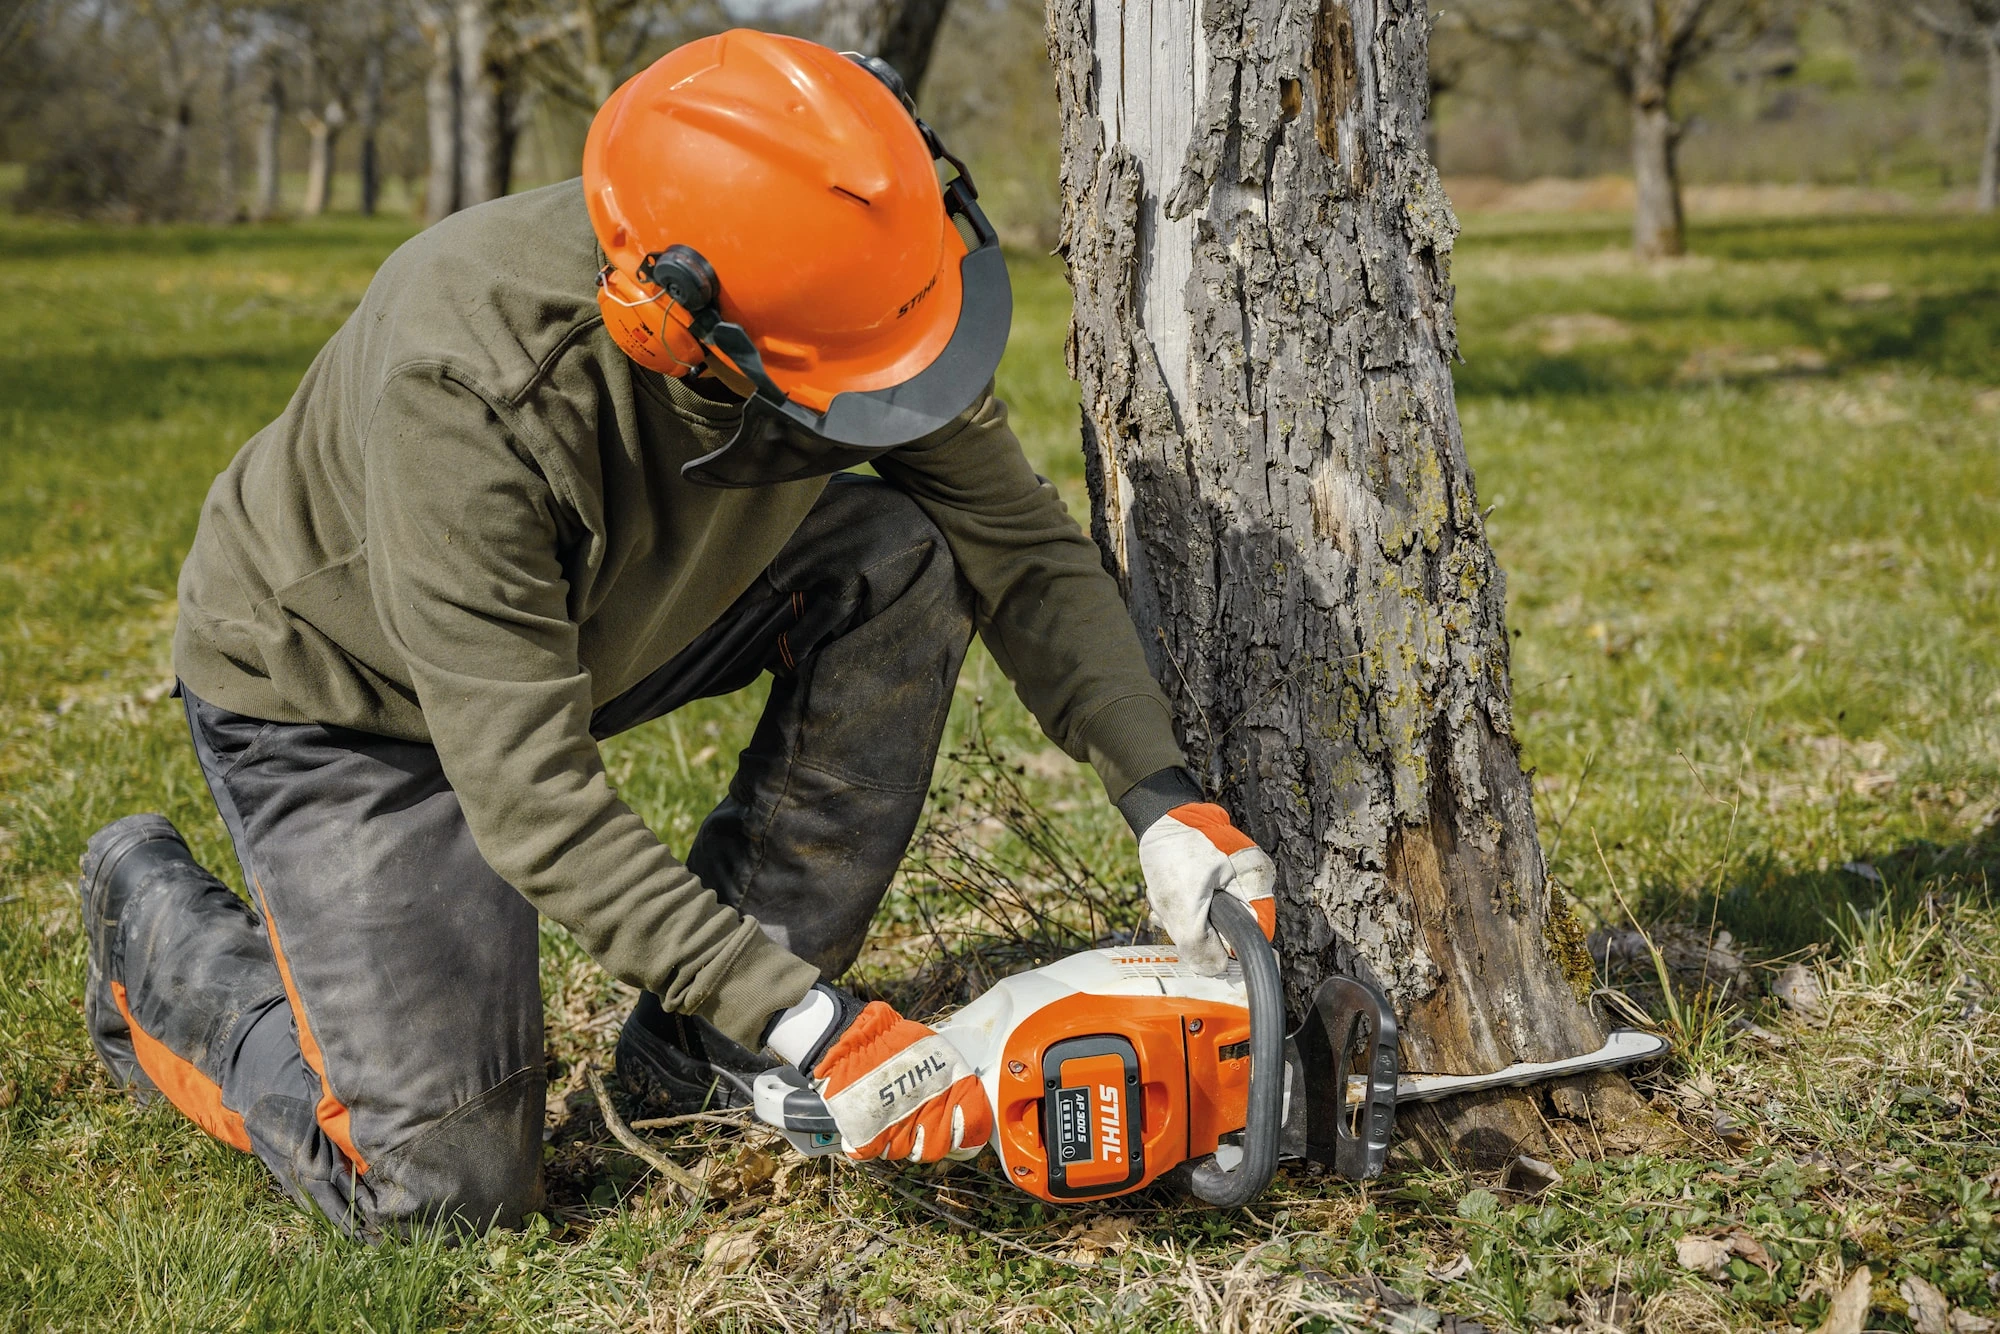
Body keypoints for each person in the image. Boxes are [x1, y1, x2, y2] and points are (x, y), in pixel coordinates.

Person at [77, 30, 1275, 1240]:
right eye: (843, 388)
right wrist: (814, 1023)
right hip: (346, 695)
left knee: (903, 554)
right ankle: (155, 940)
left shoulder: (846, 277)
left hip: (588, 621)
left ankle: (702, 1043)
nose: (889, 405)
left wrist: (1162, 800)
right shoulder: (470, 391)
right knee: (442, 1192)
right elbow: (531, 794)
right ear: (665, 329)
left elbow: (1016, 545)